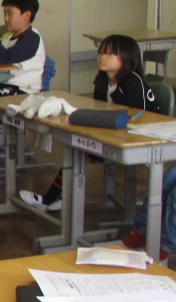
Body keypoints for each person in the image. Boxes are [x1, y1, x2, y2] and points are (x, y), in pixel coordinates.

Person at [21, 34, 161, 213]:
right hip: (111, 135)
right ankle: (58, 197)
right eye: (101, 52)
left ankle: (51, 199)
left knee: (80, 150)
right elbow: (99, 110)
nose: (103, 57)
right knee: (76, 149)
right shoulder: (103, 80)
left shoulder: (134, 82)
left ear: (127, 56)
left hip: (139, 141)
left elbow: (138, 118)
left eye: (110, 53)